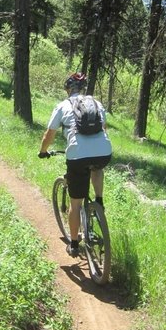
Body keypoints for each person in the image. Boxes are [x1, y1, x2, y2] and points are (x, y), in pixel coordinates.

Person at [38, 72, 112, 257]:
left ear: (68, 89)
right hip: (104, 152)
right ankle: (99, 200)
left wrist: (43, 151)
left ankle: (73, 244)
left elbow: (49, 133)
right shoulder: (97, 104)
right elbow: (104, 129)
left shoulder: (63, 106)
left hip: (78, 156)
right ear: (83, 89)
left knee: (76, 203)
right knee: (97, 166)